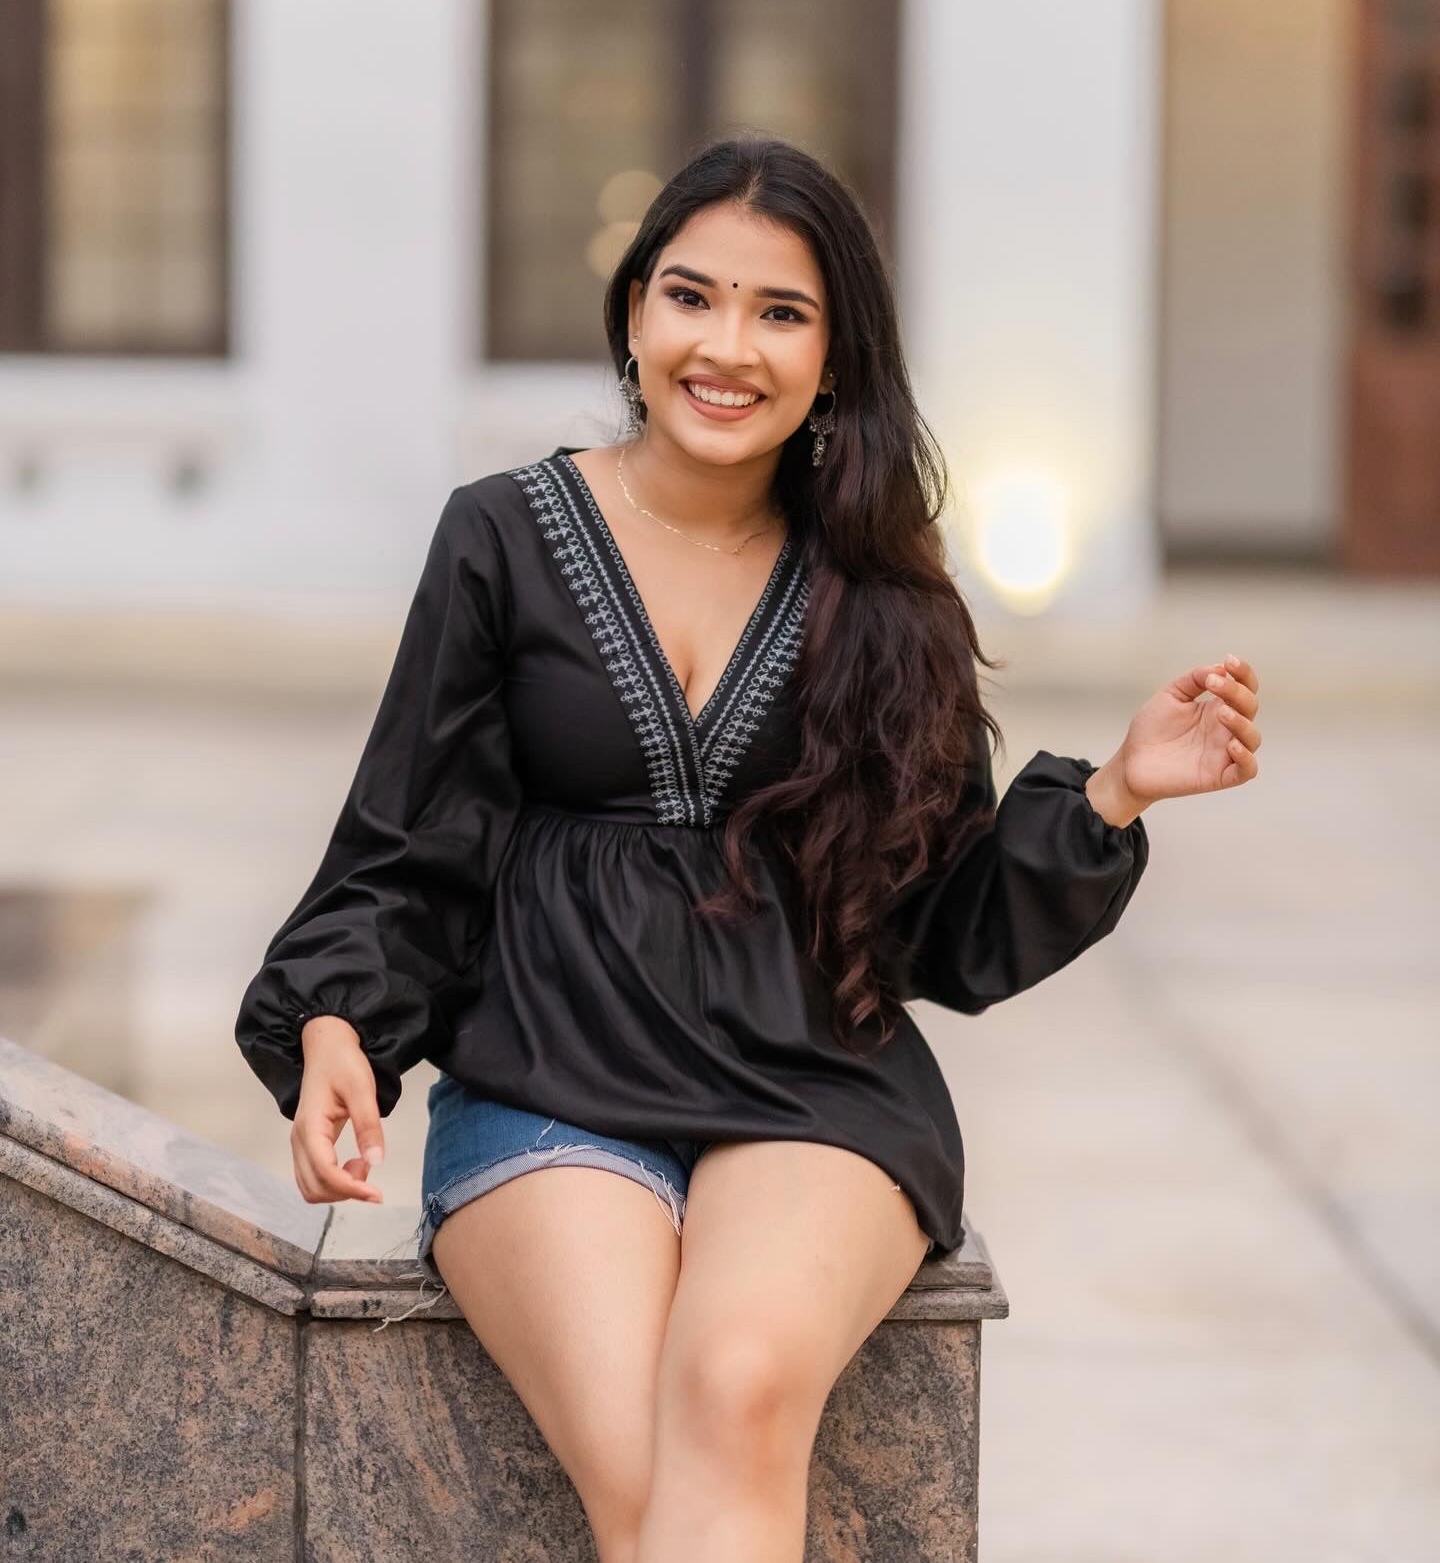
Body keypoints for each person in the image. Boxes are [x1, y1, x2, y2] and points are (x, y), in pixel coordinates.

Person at [235, 134, 1262, 1563]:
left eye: (781, 311)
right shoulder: (502, 536)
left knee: (739, 1384)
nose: (727, 347)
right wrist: (340, 1015)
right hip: (547, 1071)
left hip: (811, 1081)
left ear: (837, 355)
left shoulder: (884, 586)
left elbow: (933, 931)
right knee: (649, 1484)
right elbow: (413, 833)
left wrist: (1114, 797)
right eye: (689, 296)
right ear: (635, 320)